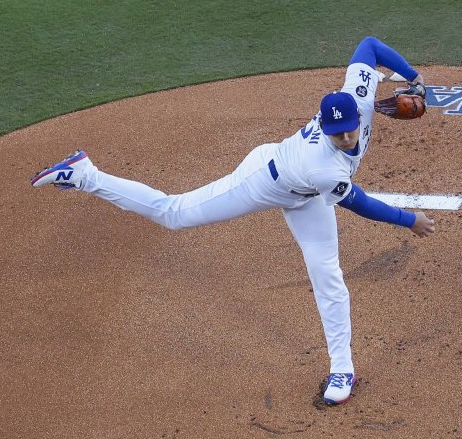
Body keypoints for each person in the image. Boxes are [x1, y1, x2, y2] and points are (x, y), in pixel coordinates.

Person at [31, 36, 435, 405]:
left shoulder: (358, 100)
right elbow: (358, 203)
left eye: (349, 131)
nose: (346, 139)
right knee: (174, 214)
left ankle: (342, 369)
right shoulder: (324, 165)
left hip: (306, 197)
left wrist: (414, 77)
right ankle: (85, 174)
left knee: (327, 274)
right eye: (337, 135)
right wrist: (408, 219)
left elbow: (368, 47)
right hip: (262, 180)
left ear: (356, 115)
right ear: (325, 128)